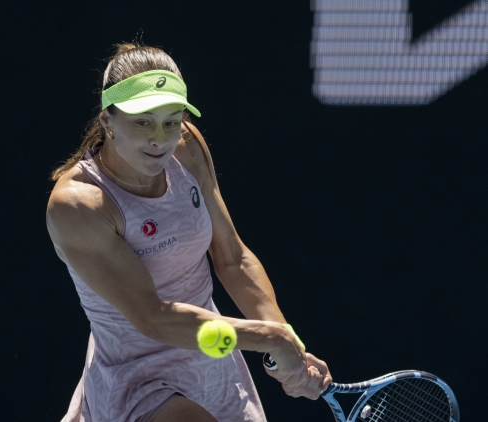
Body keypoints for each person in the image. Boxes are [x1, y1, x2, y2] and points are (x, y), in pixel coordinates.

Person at [47, 43, 332, 422]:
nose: (160, 139)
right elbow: (154, 317)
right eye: (143, 121)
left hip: (213, 356)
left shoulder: (186, 146)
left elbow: (232, 257)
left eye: (171, 121)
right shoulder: (78, 205)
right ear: (107, 121)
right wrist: (268, 338)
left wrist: (289, 342)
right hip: (137, 378)